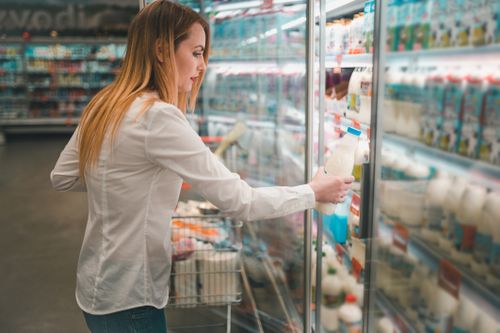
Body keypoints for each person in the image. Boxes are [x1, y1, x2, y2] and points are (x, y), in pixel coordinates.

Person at [50, 1, 353, 332]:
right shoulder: (159, 117)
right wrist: (313, 192)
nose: (202, 65)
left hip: (96, 285)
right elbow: (242, 202)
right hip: (132, 299)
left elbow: (63, 176)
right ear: (162, 50)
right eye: (196, 52)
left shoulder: (106, 102)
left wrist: (123, 181)